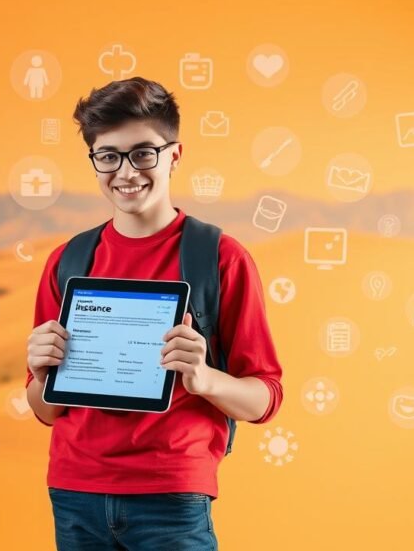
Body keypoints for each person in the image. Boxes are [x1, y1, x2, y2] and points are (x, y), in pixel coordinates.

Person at [25, 77, 284, 550]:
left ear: (174, 155)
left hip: (172, 495)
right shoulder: (68, 261)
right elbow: (45, 410)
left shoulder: (221, 259)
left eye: (143, 152)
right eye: (108, 156)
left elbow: (265, 398)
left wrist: (204, 379)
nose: (126, 172)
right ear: (94, 161)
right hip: (74, 492)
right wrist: (43, 378)